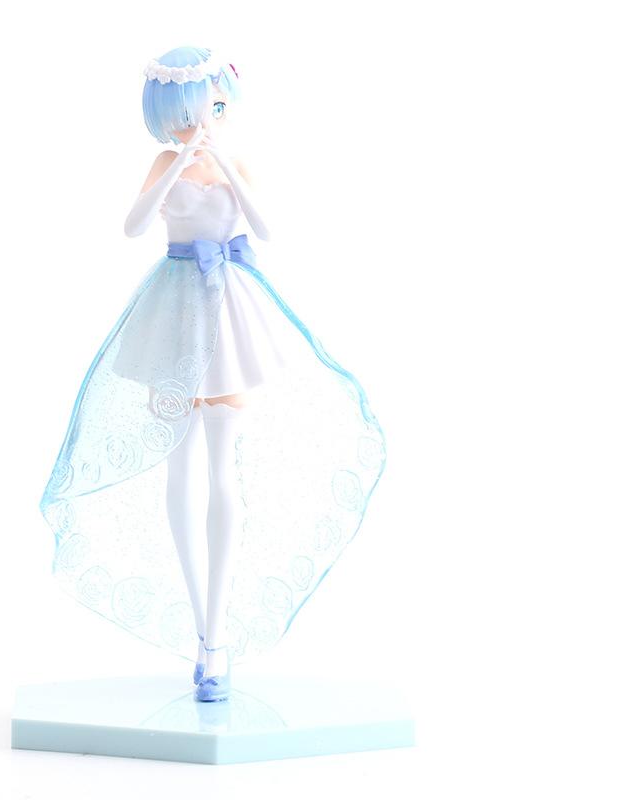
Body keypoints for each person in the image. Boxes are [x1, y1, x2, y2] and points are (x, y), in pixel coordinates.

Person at [40, 46, 386, 702]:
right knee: (179, 470)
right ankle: (199, 623)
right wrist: (179, 164)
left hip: (226, 308)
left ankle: (217, 635)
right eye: (187, 114)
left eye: (214, 108)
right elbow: (133, 226)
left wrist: (221, 159)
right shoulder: (161, 163)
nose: (201, 122)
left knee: (222, 469)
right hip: (173, 310)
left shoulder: (236, 162)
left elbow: (267, 228)